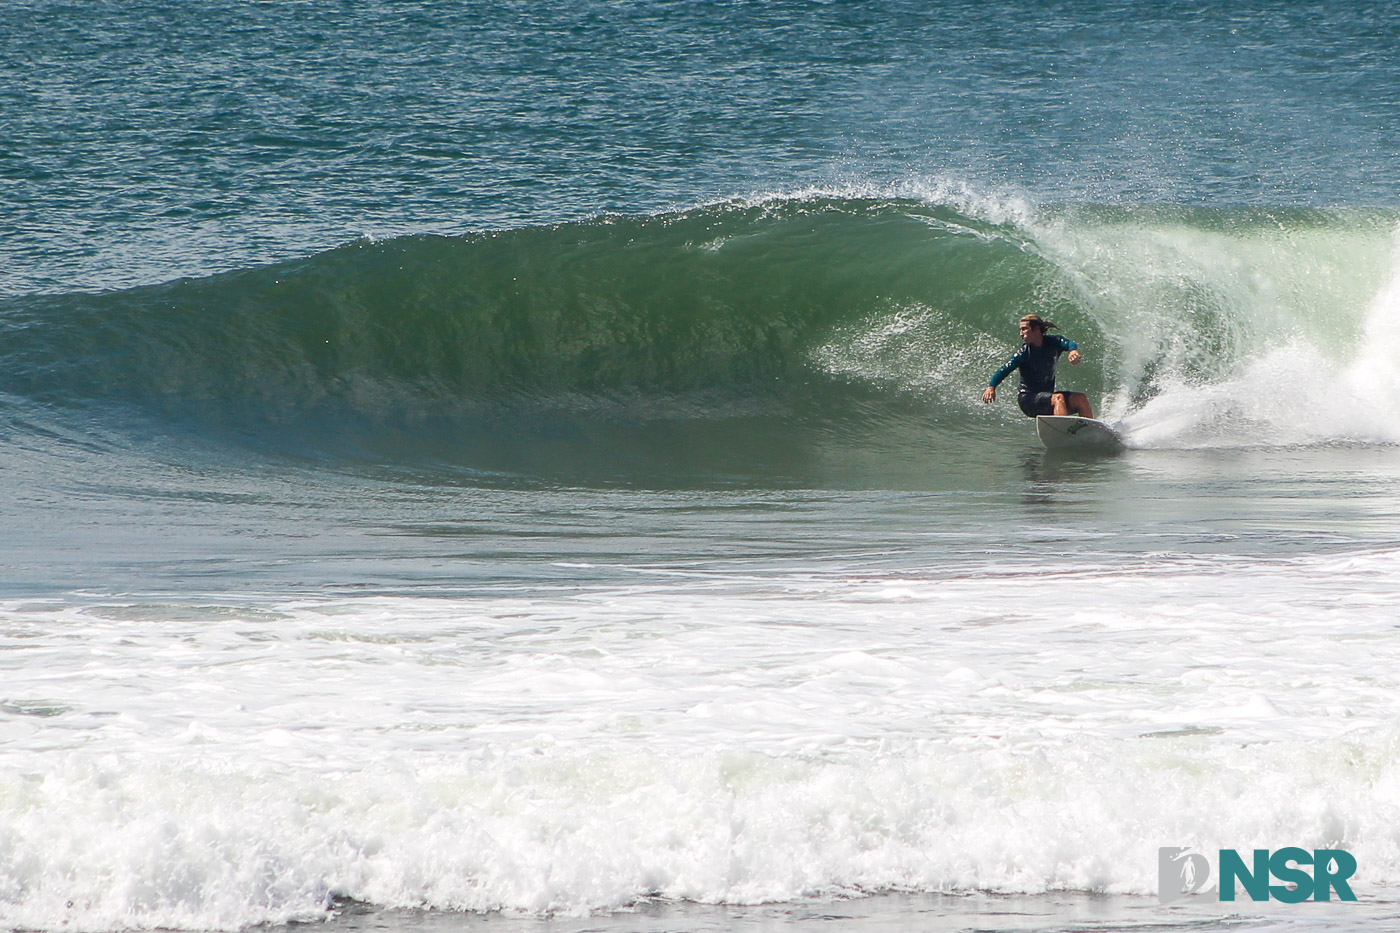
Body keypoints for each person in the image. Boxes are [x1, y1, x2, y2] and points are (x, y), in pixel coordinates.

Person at [981, 314, 1094, 418]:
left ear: (1036, 329)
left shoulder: (1054, 342)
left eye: (1024, 329)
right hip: (1028, 400)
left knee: (1080, 399)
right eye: (1020, 330)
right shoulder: (1024, 353)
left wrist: (1073, 350)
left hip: (1048, 397)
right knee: (1058, 398)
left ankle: (1088, 430)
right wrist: (991, 387)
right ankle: (1064, 430)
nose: (1021, 333)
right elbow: (1004, 370)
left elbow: (1069, 343)